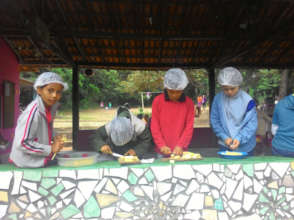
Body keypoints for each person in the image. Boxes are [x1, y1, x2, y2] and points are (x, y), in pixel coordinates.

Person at [9, 72, 67, 168]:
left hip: (38, 159)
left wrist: (54, 136)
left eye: (58, 92)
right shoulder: (33, 113)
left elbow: (45, 128)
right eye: (50, 90)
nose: (54, 95)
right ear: (39, 90)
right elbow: (22, 143)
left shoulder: (48, 108)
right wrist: (51, 148)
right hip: (26, 163)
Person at [210, 67, 258, 155]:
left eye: (232, 88)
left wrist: (240, 138)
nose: (229, 92)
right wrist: (224, 137)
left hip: (246, 146)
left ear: (238, 85)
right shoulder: (218, 99)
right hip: (225, 145)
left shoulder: (248, 101)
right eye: (225, 89)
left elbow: (252, 124)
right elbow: (215, 120)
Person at [151, 68, 195, 157]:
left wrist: (180, 145)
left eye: (178, 92)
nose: (174, 95)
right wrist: (161, 145)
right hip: (161, 151)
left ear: (183, 88)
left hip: (180, 151)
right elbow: (154, 126)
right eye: (171, 92)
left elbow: (189, 127)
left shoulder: (189, 103)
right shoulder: (157, 101)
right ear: (166, 87)